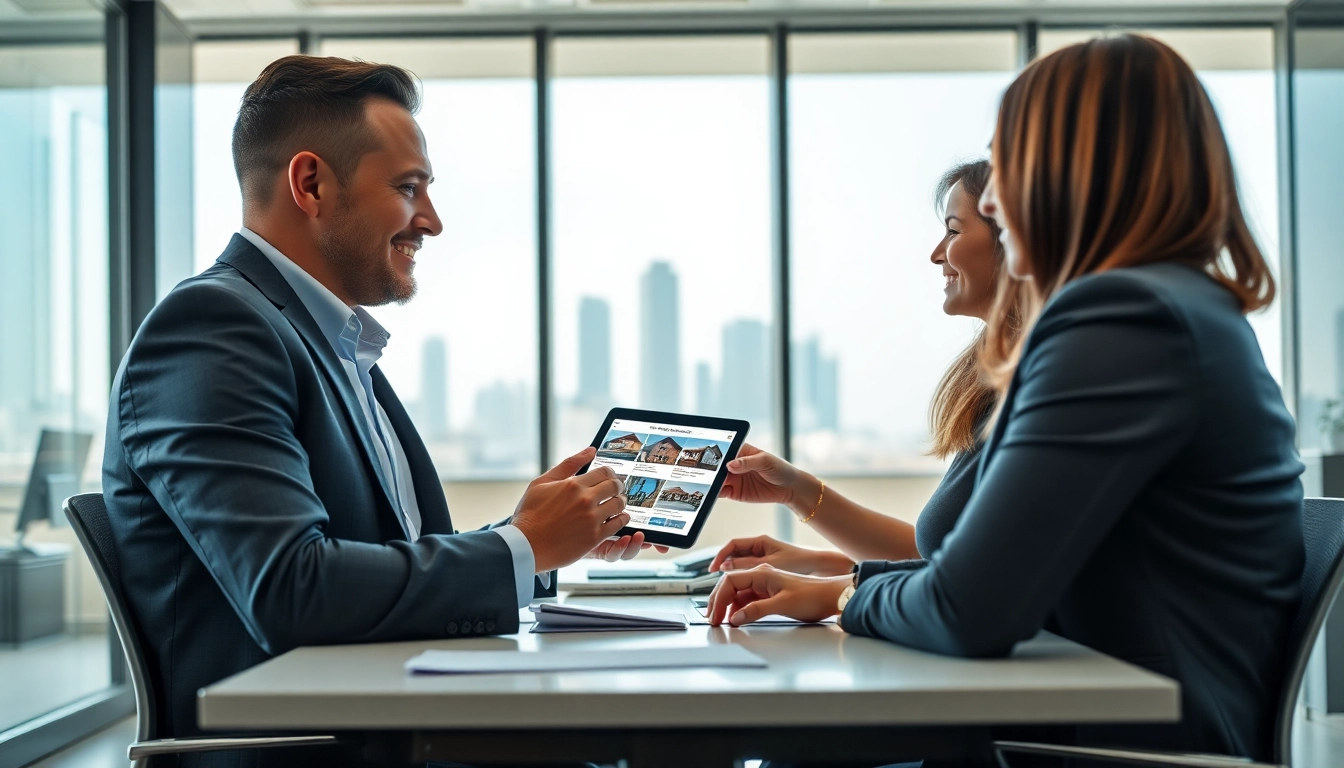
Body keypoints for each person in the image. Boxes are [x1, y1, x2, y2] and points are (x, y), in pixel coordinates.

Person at [708, 33, 1304, 762]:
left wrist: (840, 597)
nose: (991, 195)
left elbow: (970, 608)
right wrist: (848, 580)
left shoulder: (1124, 320)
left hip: (1099, 749)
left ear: (1072, 174)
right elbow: (983, 575)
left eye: (1007, 164)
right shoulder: (1174, 309)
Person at [102, 56, 658, 768]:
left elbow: (370, 564)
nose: (432, 220)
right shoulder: (212, 327)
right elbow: (291, 589)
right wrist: (520, 547)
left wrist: (538, 543)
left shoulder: (331, 344)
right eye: (408, 188)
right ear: (310, 184)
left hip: (390, 724)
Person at [707, 159, 1024, 578]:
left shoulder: (1036, 387)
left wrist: (839, 591)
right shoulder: (999, 381)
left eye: (953, 229)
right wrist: (797, 499)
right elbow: (947, 557)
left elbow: (980, 585)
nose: (936, 254)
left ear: (1015, 240)